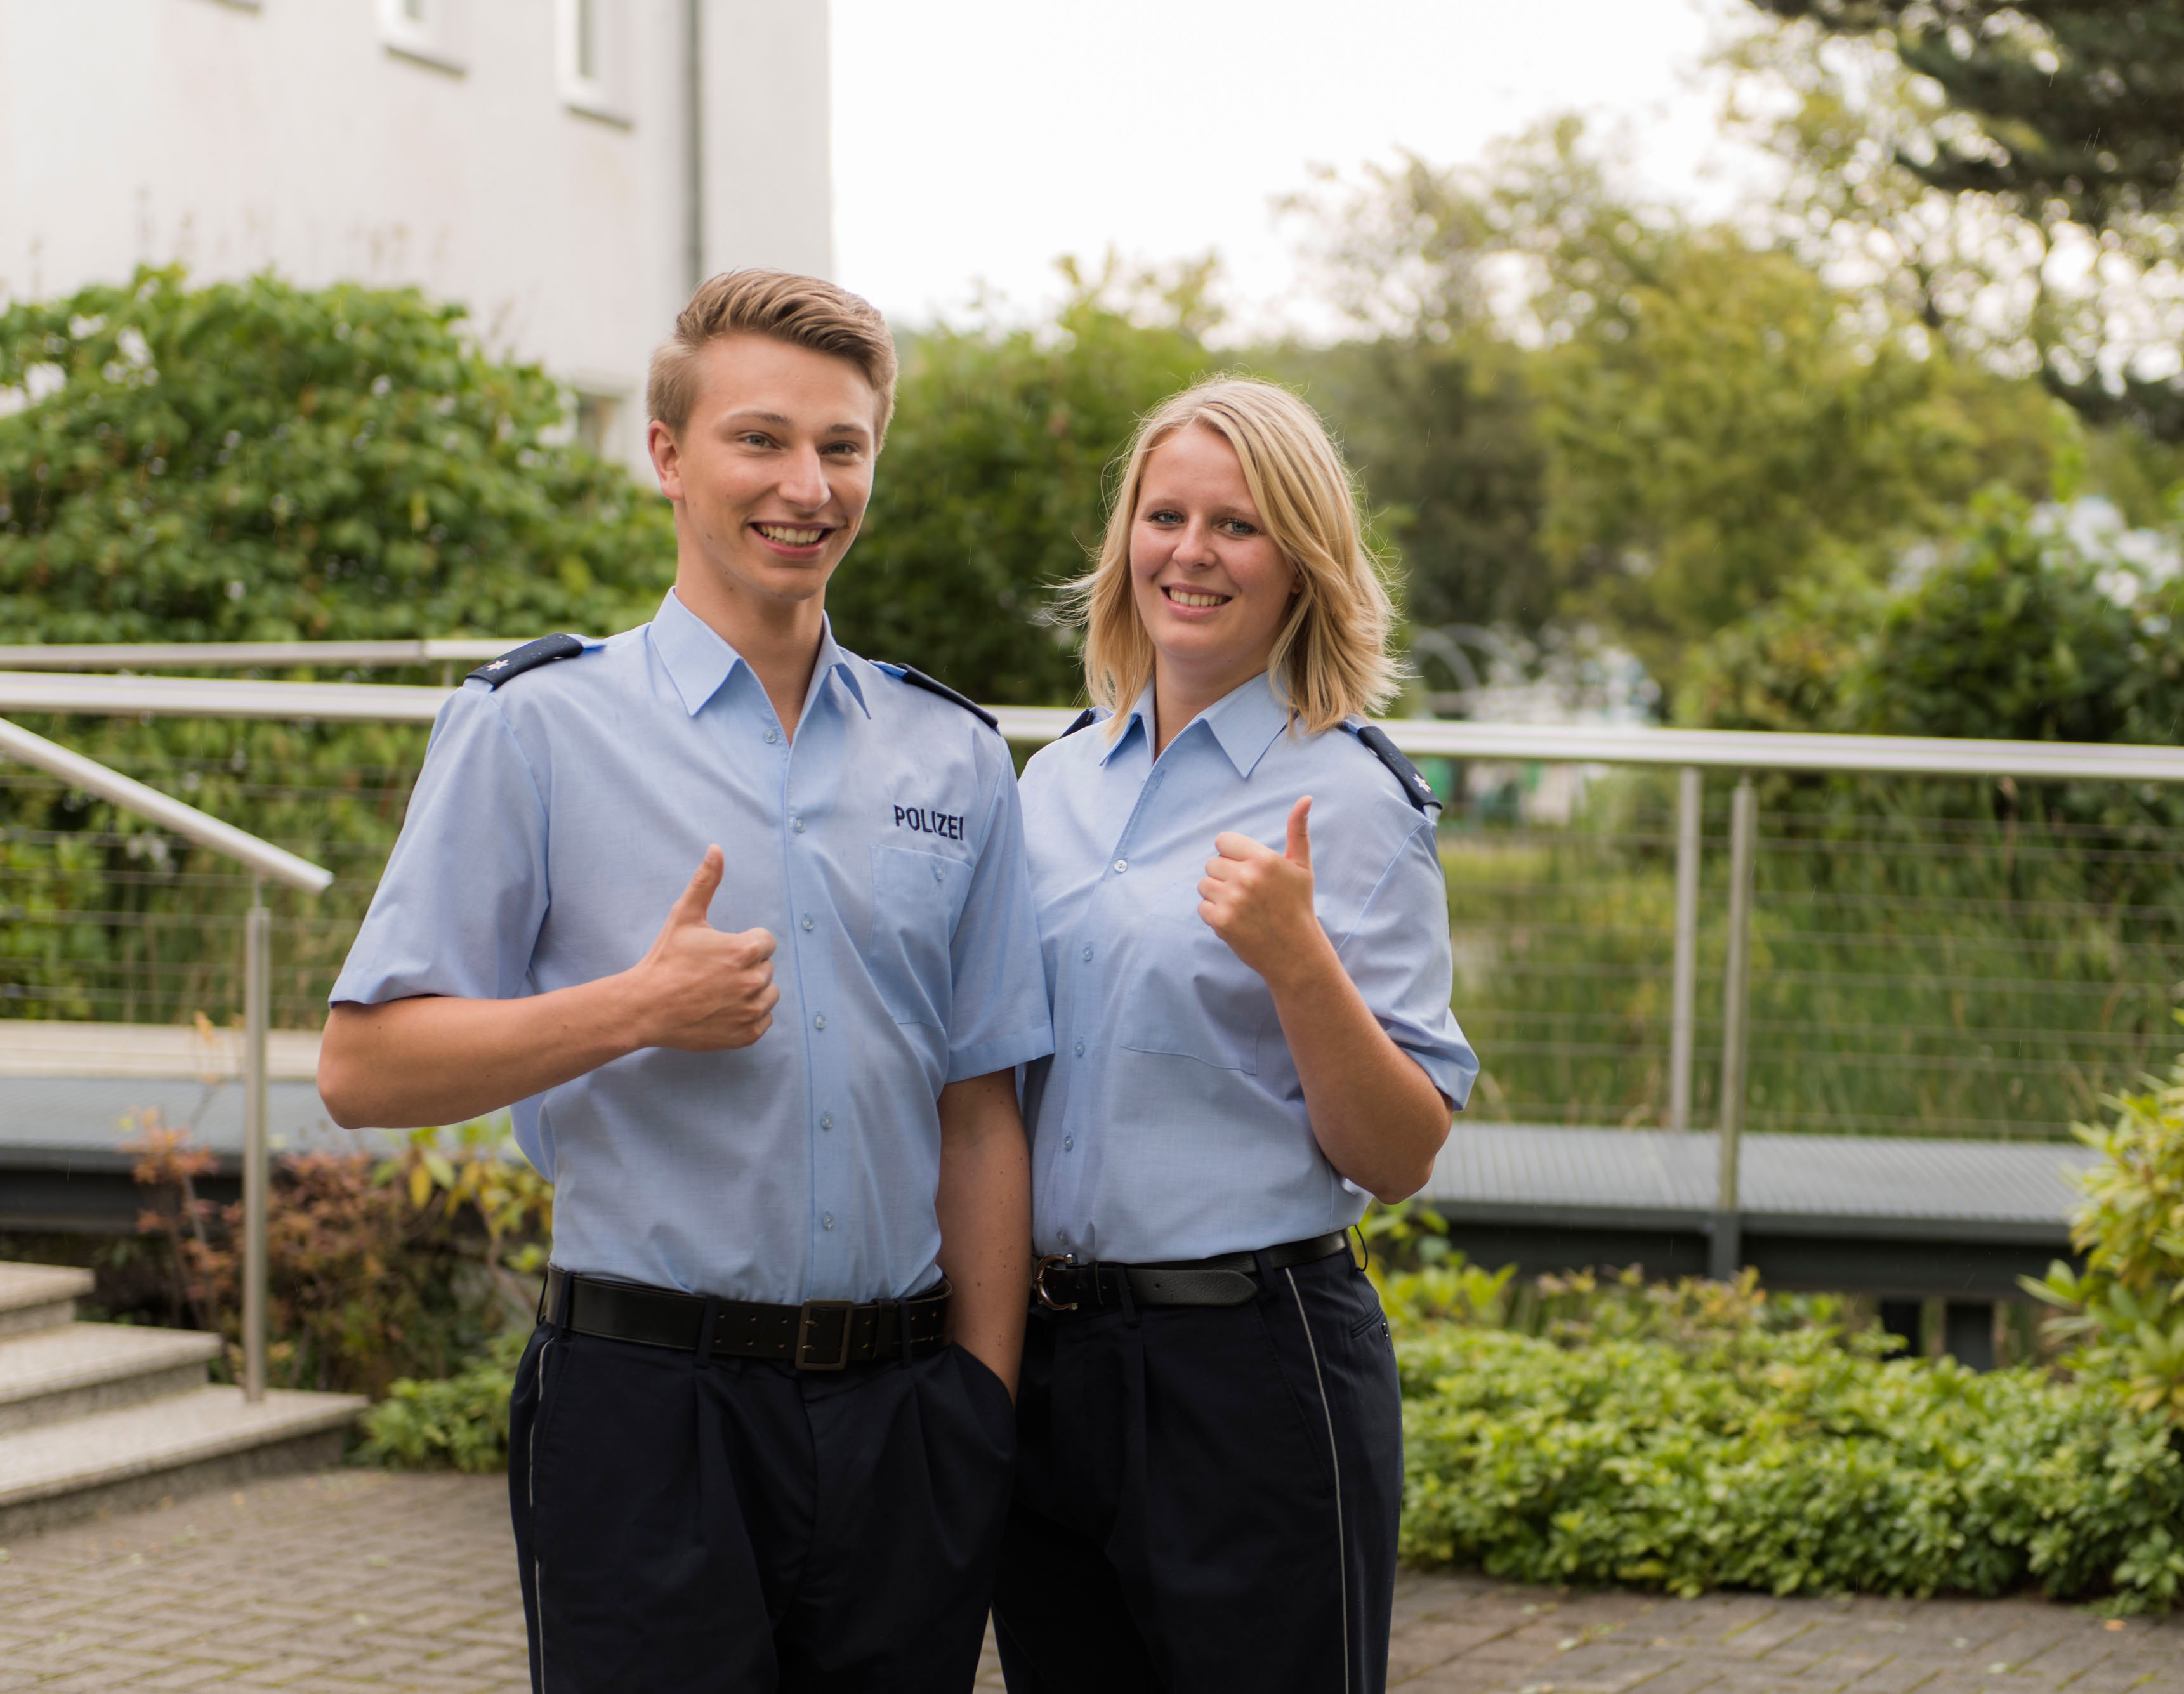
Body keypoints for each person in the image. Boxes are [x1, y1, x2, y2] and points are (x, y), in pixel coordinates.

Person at [315, 270, 1048, 1694]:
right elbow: (363, 1069)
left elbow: (978, 1111)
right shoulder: (531, 730)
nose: (806, 485)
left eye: (842, 448)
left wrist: (979, 1406)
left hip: (906, 1423)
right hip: (648, 1416)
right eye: (759, 440)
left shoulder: (950, 757)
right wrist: (633, 1011)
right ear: (667, 455)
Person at [990, 377, 1478, 1693]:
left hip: (1246, 1372)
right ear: (1125, 543)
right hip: (1049, 1364)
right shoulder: (1050, 787)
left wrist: (1296, 961)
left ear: (1302, 563)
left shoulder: (1352, 796)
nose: (1191, 554)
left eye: (1238, 526)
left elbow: (1399, 1152)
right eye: (1165, 517)